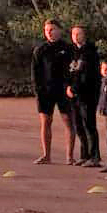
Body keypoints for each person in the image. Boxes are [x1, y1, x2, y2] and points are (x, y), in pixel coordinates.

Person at [31, 19, 75, 164]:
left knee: (68, 121)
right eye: (47, 30)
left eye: (52, 29)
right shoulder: (40, 50)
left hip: (64, 91)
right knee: (46, 122)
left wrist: (71, 86)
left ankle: (70, 157)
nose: (49, 32)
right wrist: (38, 90)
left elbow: (73, 70)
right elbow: (35, 73)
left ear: (59, 30)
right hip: (45, 91)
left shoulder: (68, 48)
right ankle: (46, 156)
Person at [66, 25, 102, 167]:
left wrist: (76, 88)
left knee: (89, 125)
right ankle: (84, 155)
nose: (76, 36)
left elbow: (88, 75)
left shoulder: (91, 52)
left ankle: (94, 157)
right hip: (73, 95)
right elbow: (68, 72)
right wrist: (68, 87)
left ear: (85, 35)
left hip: (87, 95)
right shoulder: (72, 51)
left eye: (79, 33)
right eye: (73, 33)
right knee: (78, 125)